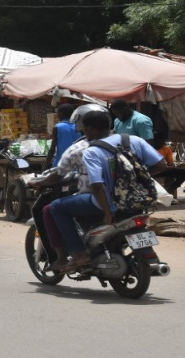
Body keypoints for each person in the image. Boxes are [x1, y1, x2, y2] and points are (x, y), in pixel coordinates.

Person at [49, 110, 166, 271]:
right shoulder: (133, 140)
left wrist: (107, 212)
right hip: (138, 201)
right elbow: (161, 165)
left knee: (56, 207)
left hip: (107, 203)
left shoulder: (92, 151)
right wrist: (135, 177)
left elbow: (97, 185)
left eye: (84, 129)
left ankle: (79, 254)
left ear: (89, 128)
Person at [29, 104, 106, 271]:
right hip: (126, 198)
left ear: (85, 125)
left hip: (93, 196)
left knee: (53, 209)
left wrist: (40, 181)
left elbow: (59, 172)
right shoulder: (125, 141)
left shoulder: (81, 148)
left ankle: (74, 255)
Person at [45, 103, 79, 169]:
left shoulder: (57, 127)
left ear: (60, 113)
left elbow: (52, 149)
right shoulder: (78, 126)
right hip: (76, 165)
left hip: (61, 164)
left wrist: (45, 166)